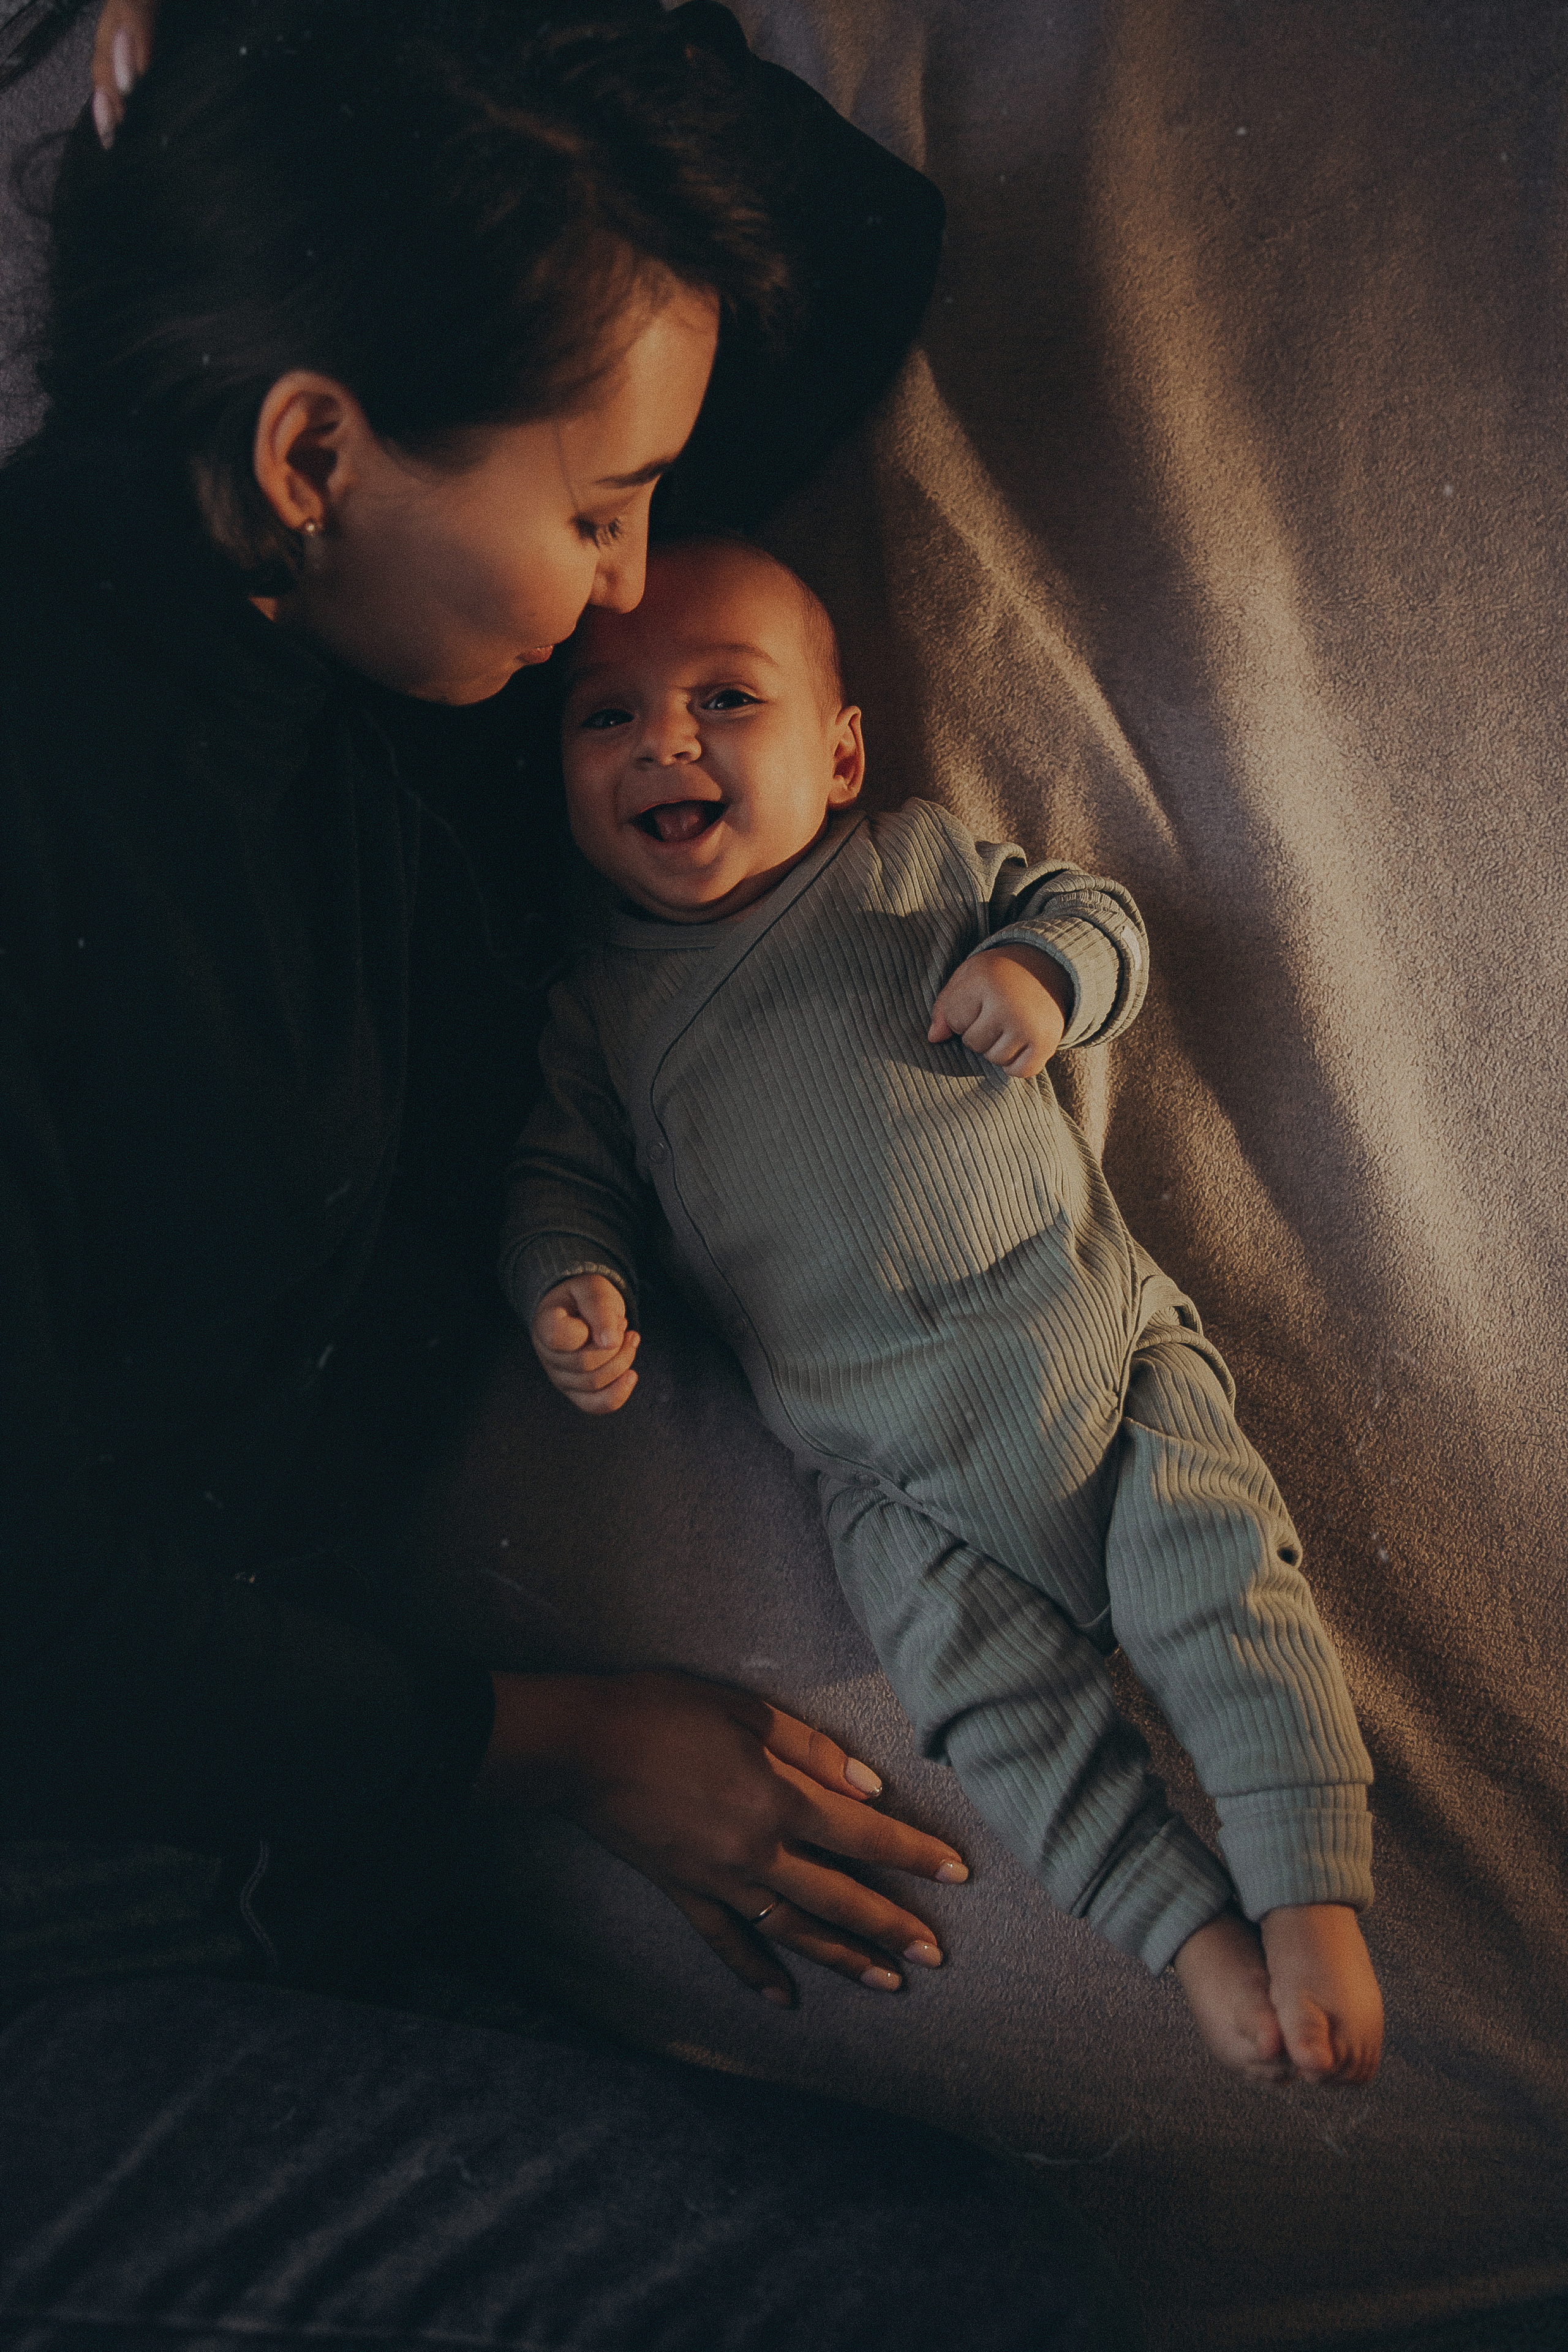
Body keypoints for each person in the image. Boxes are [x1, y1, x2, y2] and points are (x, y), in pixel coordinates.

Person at [0, 4, 1137, 2344]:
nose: (637, 600)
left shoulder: (356, 637)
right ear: (318, 447)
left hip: (260, 1895)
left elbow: (839, 252)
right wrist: (563, 1746)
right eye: (600, 508)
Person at [505, 535, 1387, 2089]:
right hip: (879, 1471)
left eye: (725, 699)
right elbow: (557, 1181)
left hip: (1085, 1359)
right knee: (994, 1712)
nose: (664, 743)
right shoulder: (600, 1008)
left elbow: (1099, 913)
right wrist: (569, 1284)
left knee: (1220, 1596)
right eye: (605, 717)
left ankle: (1307, 1895)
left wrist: (1044, 971)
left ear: (839, 755)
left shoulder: (910, 866)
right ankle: (1192, 1942)